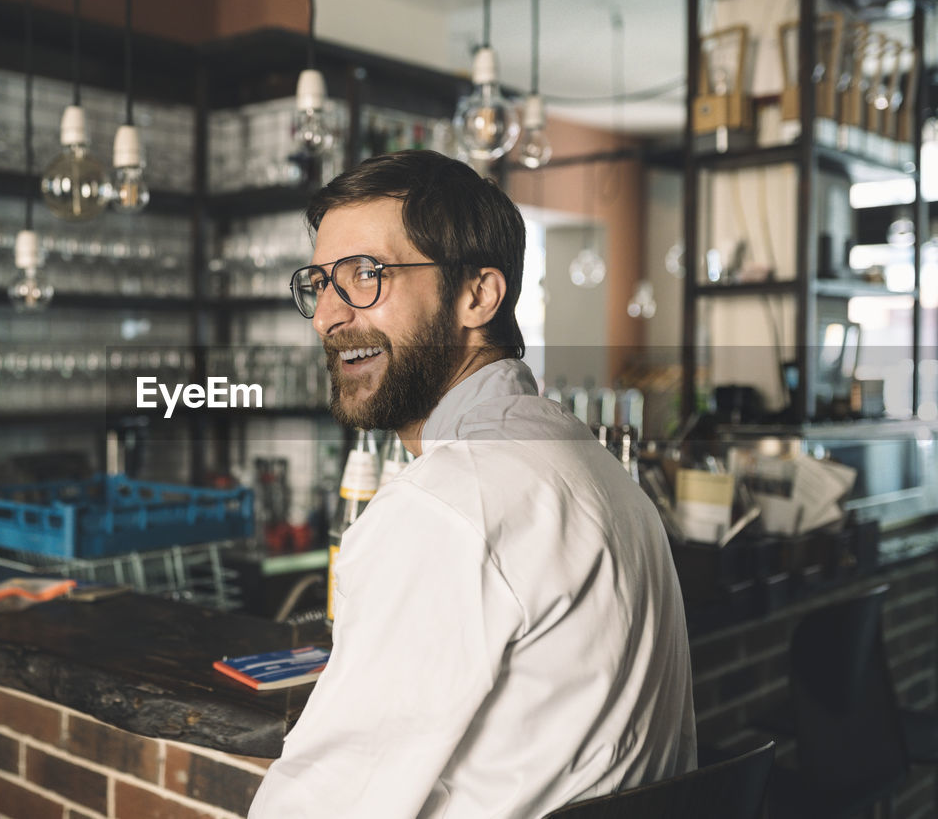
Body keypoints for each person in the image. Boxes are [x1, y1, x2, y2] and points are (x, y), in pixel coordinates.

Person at [248, 150, 696, 818]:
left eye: (366, 276)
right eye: (320, 283)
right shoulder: (596, 466)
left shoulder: (445, 507)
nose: (326, 317)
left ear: (478, 295)